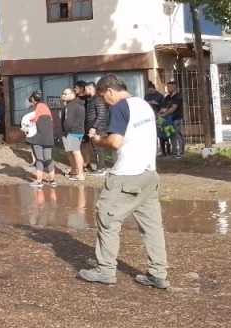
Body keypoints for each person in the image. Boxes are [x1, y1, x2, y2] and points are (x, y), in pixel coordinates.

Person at [79, 74, 169, 290]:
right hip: (149, 174)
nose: (104, 102)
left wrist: (98, 140)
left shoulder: (120, 107)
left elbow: (116, 142)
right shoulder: (144, 105)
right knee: (152, 226)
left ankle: (105, 270)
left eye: (103, 97)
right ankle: (158, 273)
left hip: (126, 175)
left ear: (110, 91)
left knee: (107, 219)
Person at [24, 91, 56, 187]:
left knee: (39, 159)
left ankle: (39, 182)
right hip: (48, 137)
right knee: (48, 159)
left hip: (37, 137)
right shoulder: (46, 108)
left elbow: (26, 123)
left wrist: (25, 130)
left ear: (33, 99)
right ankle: (52, 181)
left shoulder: (32, 109)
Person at [60, 88, 86, 181]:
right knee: (70, 152)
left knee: (75, 152)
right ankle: (74, 171)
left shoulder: (74, 105)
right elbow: (65, 119)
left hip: (74, 132)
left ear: (73, 94)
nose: (63, 95)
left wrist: (67, 132)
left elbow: (70, 121)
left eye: (66, 94)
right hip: (68, 132)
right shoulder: (68, 105)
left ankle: (80, 174)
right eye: (63, 93)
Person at [84, 81, 109, 175]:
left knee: (99, 149)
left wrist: (94, 127)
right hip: (93, 128)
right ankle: (101, 167)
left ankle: (101, 169)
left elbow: (101, 114)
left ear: (90, 88)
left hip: (98, 128)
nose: (85, 91)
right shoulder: (91, 100)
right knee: (96, 149)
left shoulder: (98, 99)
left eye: (86, 89)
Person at [160, 81, 185, 158]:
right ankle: (174, 152)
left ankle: (180, 152)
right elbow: (163, 108)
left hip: (176, 118)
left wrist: (164, 114)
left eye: (170, 87)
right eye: (167, 87)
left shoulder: (178, 97)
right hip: (168, 120)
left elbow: (173, 108)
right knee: (171, 135)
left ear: (174, 87)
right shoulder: (167, 97)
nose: (168, 88)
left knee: (177, 135)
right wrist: (160, 114)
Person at [144, 82, 168, 155]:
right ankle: (153, 150)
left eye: (151, 90)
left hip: (159, 117)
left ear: (154, 88)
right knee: (151, 134)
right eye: (149, 91)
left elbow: (164, 108)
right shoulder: (147, 96)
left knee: (161, 134)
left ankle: (163, 151)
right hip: (149, 118)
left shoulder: (160, 96)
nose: (150, 92)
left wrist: (158, 113)